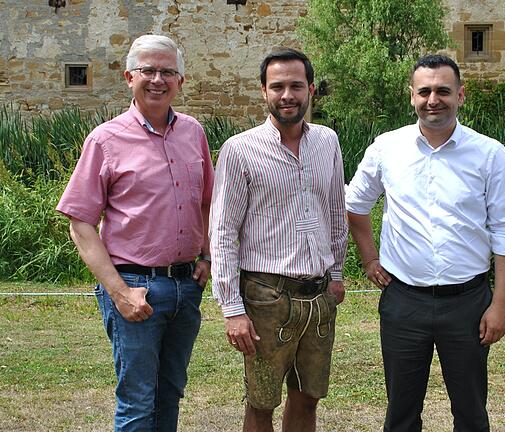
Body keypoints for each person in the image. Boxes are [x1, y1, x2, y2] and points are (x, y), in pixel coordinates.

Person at [345, 54, 505, 432]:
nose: (433, 100)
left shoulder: (488, 153)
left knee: (472, 412)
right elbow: (354, 206)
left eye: (443, 91)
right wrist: (369, 258)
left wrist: (500, 304)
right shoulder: (387, 148)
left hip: (468, 303)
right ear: (411, 96)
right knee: (401, 413)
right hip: (404, 301)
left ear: (460, 95)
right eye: (424, 91)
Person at [56, 34, 214, 431]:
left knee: (170, 395)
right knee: (138, 403)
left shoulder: (193, 133)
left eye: (167, 71)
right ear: (129, 77)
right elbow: (80, 222)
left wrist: (208, 255)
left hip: (185, 287)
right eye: (148, 70)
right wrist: (119, 292)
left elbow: (209, 203)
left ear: (181, 80)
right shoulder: (105, 139)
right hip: (135, 287)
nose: (157, 79)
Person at [209, 47, 347, 432]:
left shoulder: (328, 142)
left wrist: (335, 272)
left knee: (308, 398)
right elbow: (222, 231)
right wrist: (232, 308)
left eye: (296, 86)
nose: (287, 95)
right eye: (278, 86)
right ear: (263, 92)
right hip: (265, 296)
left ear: (311, 90)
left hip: (318, 296)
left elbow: (336, 211)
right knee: (261, 402)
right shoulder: (240, 150)